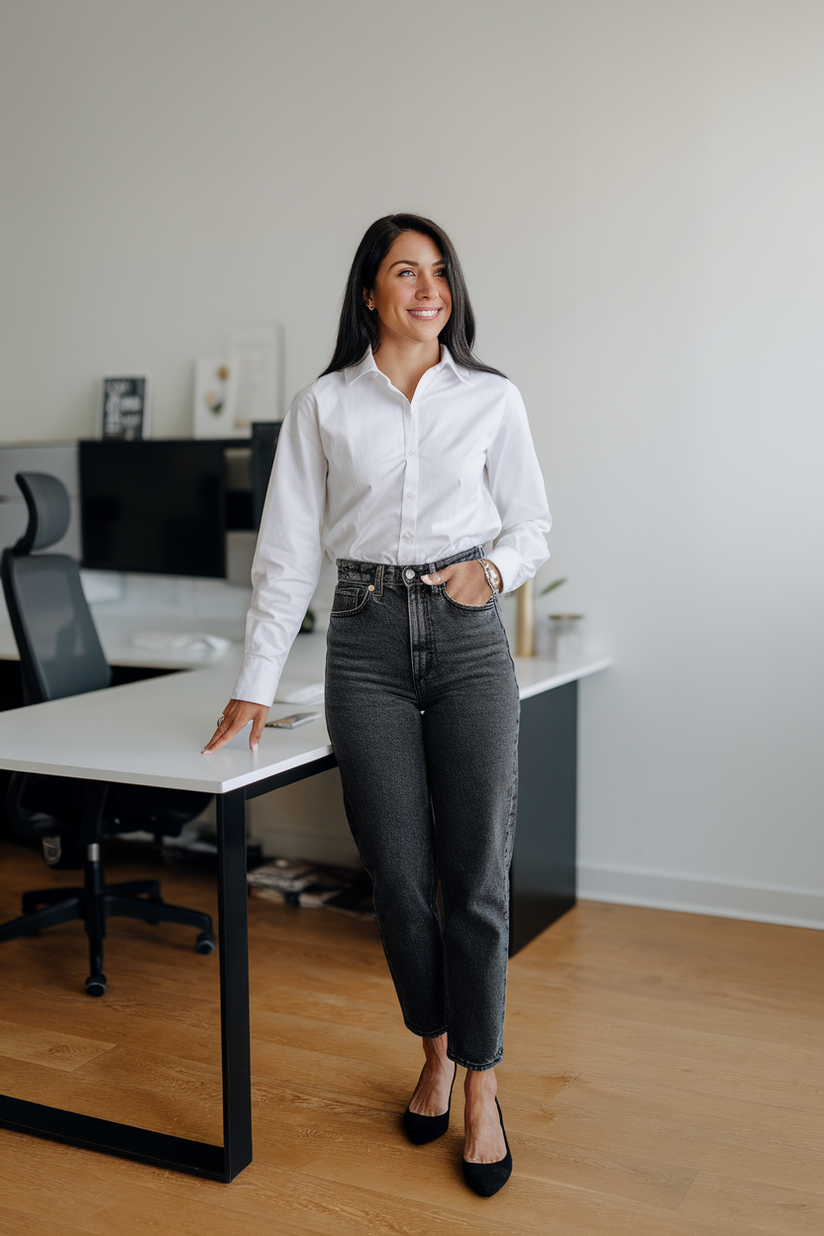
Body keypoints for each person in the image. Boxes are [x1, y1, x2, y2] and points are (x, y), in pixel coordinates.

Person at [202, 213, 551, 1197]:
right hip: (360, 639)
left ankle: (481, 1083)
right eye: (406, 272)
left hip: (468, 637)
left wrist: (492, 570)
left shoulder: (490, 398)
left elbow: (532, 523)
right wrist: (251, 689)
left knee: (474, 872)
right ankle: (433, 1048)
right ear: (369, 291)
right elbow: (284, 556)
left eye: (439, 272)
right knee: (397, 876)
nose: (427, 288)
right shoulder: (325, 405)